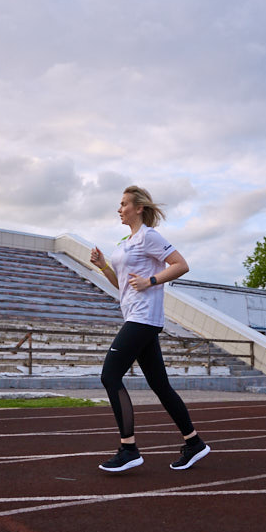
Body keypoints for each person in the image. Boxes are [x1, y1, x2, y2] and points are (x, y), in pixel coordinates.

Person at [89, 185, 210, 473]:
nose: (119, 209)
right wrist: (104, 266)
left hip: (143, 318)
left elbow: (181, 265)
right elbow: (121, 285)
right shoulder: (126, 241)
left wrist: (152, 281)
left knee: (109, 375)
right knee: (160, 385)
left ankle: (128, 448)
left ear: (138, 207)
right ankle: (194, 443)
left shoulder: (149, 237)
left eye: (123, 204)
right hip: (135, 316)